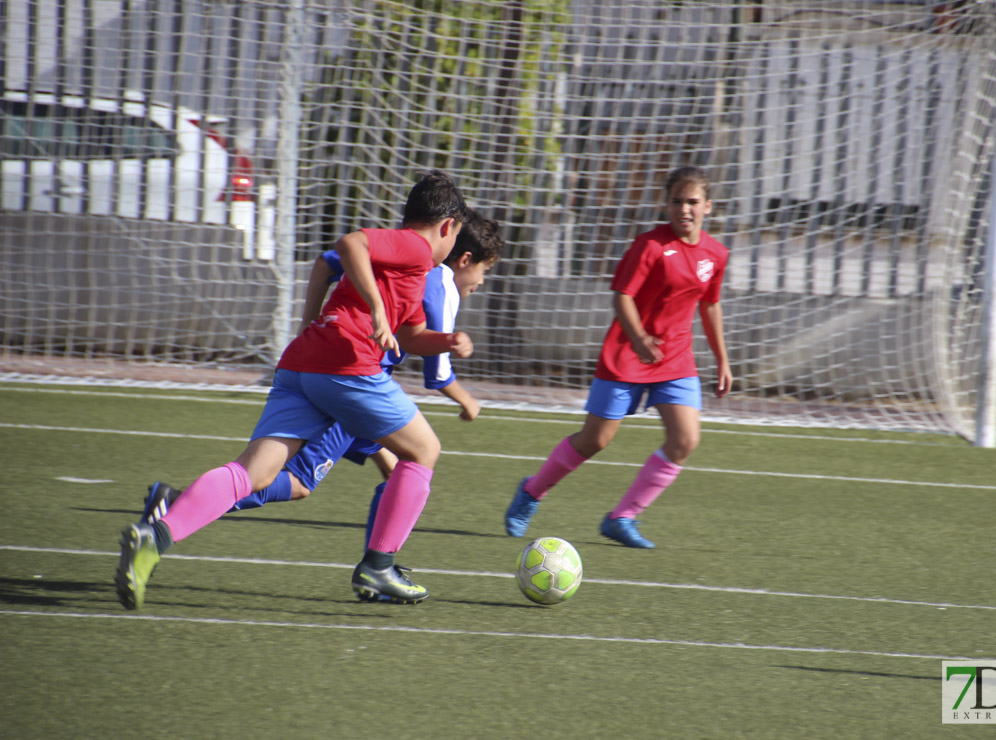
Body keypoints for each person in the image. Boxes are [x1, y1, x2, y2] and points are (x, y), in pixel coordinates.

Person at [115, 170, 469, 609]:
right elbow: (349, 244)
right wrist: (377, 310)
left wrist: (448, 341)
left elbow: (412, 334)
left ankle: (156, 535)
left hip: (303, 364)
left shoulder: (412, 270)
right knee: (424, 451)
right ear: (448, 226)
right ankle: (379, 567)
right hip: (348, 367)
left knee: (253, 472)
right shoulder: (415, 247)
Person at [141, 211, 503, 554]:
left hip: (353, 374)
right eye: (485, 270)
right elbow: (436, 373)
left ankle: (378, 566)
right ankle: (176, 506)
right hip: (353, 381)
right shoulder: (439, 282)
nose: (482, 281)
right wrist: (466, 400)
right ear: (463, 257)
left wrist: (309, 324)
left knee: (395, 468)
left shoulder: (394, 250)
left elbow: (326, 263)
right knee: (298, 481)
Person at [504, 166, 731, 549]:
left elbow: (710, 305)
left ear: (708, 206)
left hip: (675, 359)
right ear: (667, 203)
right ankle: (531, 492)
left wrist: (722, 360)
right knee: (595, 440)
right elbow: (622, 296)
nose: (684, 209)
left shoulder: (715, 253)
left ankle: (622, 517)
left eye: (693, 202)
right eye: (677, 201)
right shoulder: (650, 246)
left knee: (685, 439)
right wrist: (639, 337)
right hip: (627, 354)